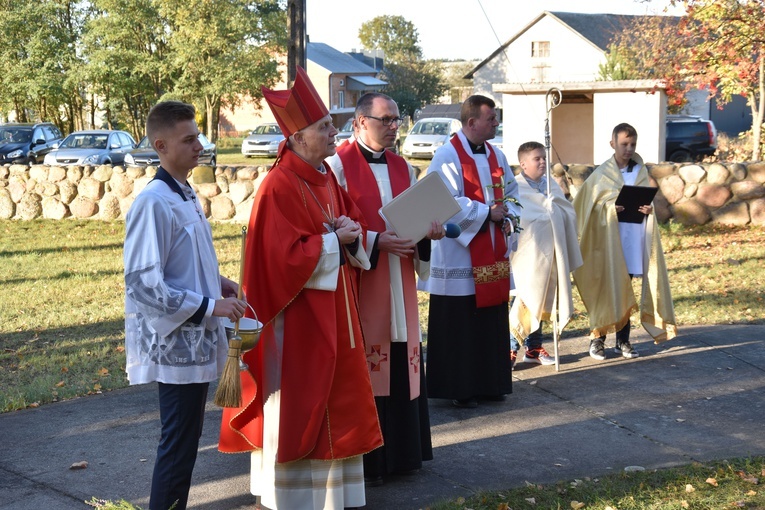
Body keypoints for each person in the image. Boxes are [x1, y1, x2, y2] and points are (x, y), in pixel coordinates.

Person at [218, 66, 383, 510]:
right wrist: (335, 240)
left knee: (338, 399)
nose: (335, 133)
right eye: (324, 127)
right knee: (300, 400)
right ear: (296, 138)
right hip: (297, 321)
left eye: (332, 125)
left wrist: (351, 231)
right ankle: (289, 499)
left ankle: (334, 498)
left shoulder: (326, 176)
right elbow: (280, 260)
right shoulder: (277, 185)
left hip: (335, 313)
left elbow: (354, 228)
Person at [123, 100, 247, 510]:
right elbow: (144, 284)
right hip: (176, 342)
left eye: (198, 136)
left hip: (192, 338)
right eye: (189, 139)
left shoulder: (185, 191)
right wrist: (211, 306)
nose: (200, 145)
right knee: (177, 442)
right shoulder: (154, 201)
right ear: (161, 144)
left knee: (187, 440)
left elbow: (185, 261)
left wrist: (219, 283)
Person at [326, 92, 440, 486]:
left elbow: (415, 223)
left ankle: (404, 454)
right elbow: (332, 227)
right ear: (360, 122)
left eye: (396, 119)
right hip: (363, 279)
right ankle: (371, 461)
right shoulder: (336, 167)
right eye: (385, 119)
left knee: (402, 358)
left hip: (399, 280)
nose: (394, 126)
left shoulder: (404, 168)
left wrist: (428, 231)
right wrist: (376, 242)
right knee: (370, 361)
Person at [418, 95, 521, 409]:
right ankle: (460, 388)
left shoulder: (497, 155)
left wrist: (510, 219)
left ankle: (491, 383)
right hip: (458, 254)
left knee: (490, 319)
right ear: (472, 121)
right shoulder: (447, 155)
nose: (496, 123)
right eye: (491, 119)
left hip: (492, 248)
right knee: (460, 322)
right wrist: (486, 213)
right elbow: (444, 201)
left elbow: (514, 193)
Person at [573, 123, 677, 360]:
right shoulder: (600, 175)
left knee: (624, 288)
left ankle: (623, 341)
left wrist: (647, 209)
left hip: (632, 239)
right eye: (624, 144)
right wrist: (609, 208)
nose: (629, 149)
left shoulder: (640, 172)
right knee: (605, 289)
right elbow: (586, 207)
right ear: (612, 144)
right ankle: (597, 340)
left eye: (632, 144)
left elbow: (646, 202)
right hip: (606, 242)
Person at [508, 142, 582, 367]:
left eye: (544, 158)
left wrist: (554, 212)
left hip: (551, 253)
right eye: (536, 158)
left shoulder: (552, 186)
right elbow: (519, 219)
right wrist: (545, 216)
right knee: (523, 298)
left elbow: (567, 212)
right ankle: (510, 348)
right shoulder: (515, 188)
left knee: (543, 300)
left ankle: (533, 348)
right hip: (526, 255)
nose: (542, 162)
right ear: (523, 163)